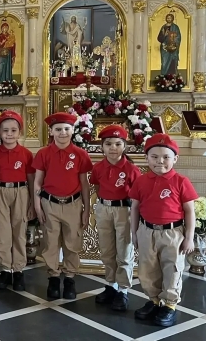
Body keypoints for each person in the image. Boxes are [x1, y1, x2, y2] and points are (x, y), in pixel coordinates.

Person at [130, 133, 197, 327]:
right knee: (148, 268)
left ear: (175, 159)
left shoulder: (181, 181)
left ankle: (169, 304)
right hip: (146, 231)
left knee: (172, 268)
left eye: (166, 157)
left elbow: (189, 211)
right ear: (147, 158)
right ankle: (153, 300)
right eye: (154, 157)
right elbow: (135, 208)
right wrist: (135, 233)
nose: (160, 161)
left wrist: (189, 237)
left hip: (172, 233)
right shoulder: (141, 181)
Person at [33, 112, 93, 300]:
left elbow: (84, 184)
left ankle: (69, 278)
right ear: (51, 131)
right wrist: (37, 206)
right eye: (58, 129)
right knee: (50, 242)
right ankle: (53, 277)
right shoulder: (43, 153)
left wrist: (86, 209)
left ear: (73, 130)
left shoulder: (80, 154)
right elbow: (37, 182)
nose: (62, 133)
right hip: (49, 204)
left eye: (67, 129)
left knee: (72, 242)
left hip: (73, 204)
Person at [90, 125, 140, 311]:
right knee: (107, 250)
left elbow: (137, 194)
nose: (113, 148)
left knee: (124, 250)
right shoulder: (98, 167)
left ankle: (123, 290)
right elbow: (97, 187)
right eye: (108, 144)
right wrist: (104, 204)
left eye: (118, 144)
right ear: (102, 147)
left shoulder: (131, 169)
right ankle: (111, 285)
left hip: (124, 210)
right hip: (104, 209)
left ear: (124, 146)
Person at [0, 111, 35, 291]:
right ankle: (4, 269)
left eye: (13, 130)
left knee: (19, 231)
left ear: (20, 132)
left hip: (21, 192)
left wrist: (32, 202)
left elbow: (31, 179)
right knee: (2, 232)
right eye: (5, 130)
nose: (9, 134)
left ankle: (18, 270)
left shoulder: (26, 154)